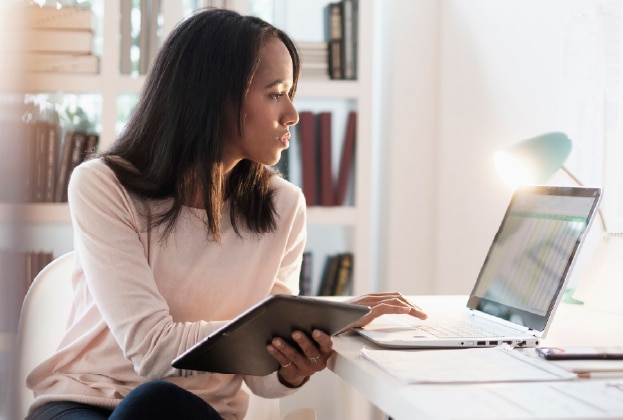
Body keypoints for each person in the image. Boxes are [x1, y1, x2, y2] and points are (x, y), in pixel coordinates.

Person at [25, 8, 426, 420]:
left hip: (198, 413)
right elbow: (152, 351)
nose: (292, 114)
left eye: (291, 93)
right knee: (152, 401)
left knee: (159, 406)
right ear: (215, 96)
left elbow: (262, 380)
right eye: (275, 93)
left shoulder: (283, 206)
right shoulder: (103, 185)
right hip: (84, 403)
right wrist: (270, 328)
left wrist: (293, 362)